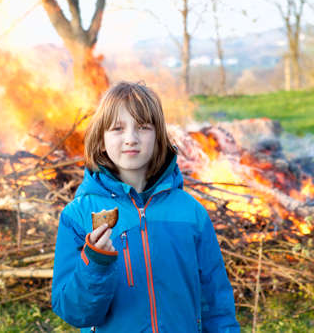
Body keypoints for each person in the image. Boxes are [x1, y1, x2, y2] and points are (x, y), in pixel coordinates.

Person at [52, 81, 240, 332]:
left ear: (158, 137)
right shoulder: (78, 216)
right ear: (100, 141)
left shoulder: (191, 213)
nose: (131, 138)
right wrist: (96, 261)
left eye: (143, 127)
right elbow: (74, 312)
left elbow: (216, 305)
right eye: (117, 129)